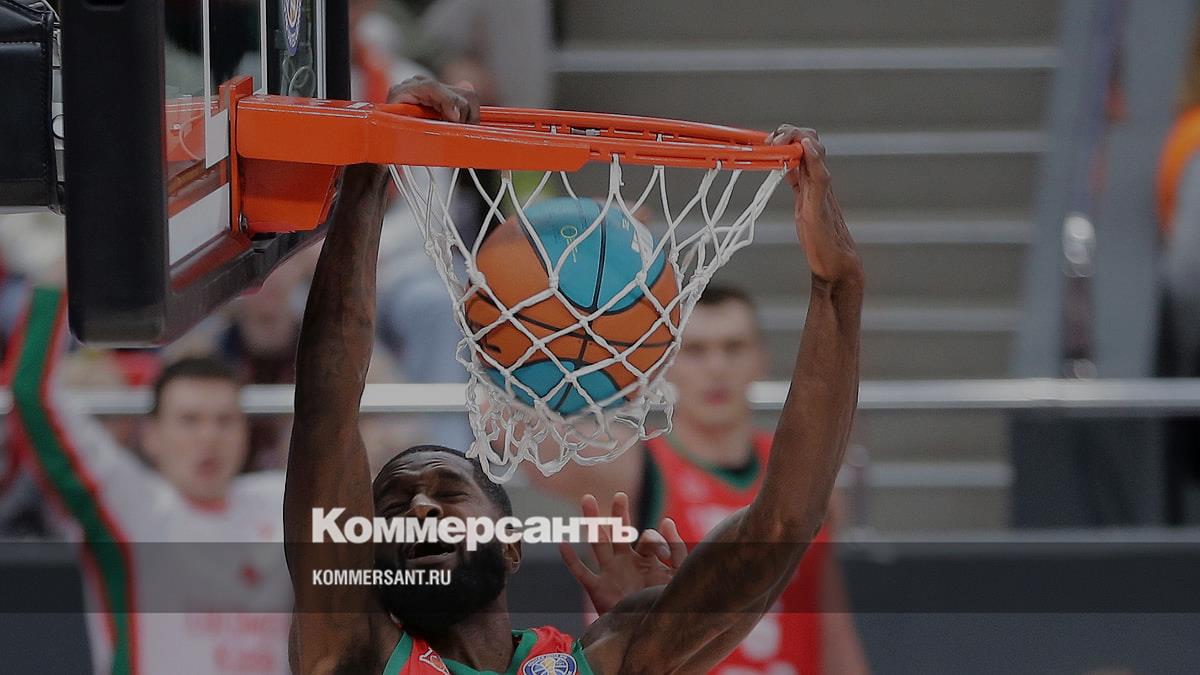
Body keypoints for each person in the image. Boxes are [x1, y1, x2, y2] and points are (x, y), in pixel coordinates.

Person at [284, 76, 864, 673]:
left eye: (450, 495)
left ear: (511, 544)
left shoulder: (600, 661)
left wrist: (838, 284)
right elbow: (326, 410)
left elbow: (778, 531)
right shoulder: (350, 651)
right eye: (392, 508)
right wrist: (372, 164)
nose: (422, 510)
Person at [524, 284, 870, 674]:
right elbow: (531, 446)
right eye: (696, 351)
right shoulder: (633, 466)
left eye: (733, 347)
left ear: (761, 360)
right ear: (666, 365)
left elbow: (831, 622)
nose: (716, 367)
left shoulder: (803, 472)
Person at [9, 287, 292, 674]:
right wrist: (58, 279)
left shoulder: (281, 502)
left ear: (246, 433)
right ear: (152, 436)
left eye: (225, 421)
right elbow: (33, 396)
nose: (209, 437)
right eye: (189, 420)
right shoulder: (130, 506)